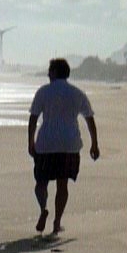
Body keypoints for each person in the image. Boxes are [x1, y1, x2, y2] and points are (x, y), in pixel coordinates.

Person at [28, 58, 99, 237]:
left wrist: (30, 141)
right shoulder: (77, 93)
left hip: (46, 143)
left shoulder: (43, 92)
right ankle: (57, 222)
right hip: (69, 144)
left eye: (49, 70)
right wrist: (94, 144)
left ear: (54, 72)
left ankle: (43, 209)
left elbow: (33, 118)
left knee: (41, 182)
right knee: (62, 184)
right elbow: (89, 118)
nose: (47, 73)